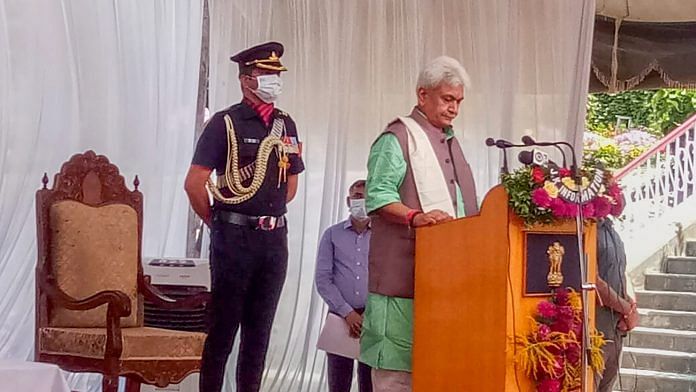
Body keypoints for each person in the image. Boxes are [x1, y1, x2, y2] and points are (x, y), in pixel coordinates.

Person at [184, 41, 305, 392]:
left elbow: (290, 185)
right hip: (234, 239)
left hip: (273, 240)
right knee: (222, 332)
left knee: (259, 333)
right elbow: (195, 184)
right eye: (265, 74)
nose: (273, 81)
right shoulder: (225, 123)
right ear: (245, 80)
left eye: (276, 75)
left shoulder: (287, 124)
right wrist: (220, 222)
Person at [360, 56, 479, 392]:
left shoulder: (452, 143)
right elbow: (378, 197)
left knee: (436, 370)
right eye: (447, 99)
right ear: (422, 95)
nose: (454, 108)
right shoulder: (397, 138)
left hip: (444, 281)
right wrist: (415, 216)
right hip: (401, 280)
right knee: (396, 376)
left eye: (458, 102)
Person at [315, 180, 373, 392]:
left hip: (372, 319)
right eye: (357, 196)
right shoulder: (332, 234)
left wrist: (369, 313)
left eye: (366, 196)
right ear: (349, 201)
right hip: (340, 318)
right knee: (338, 383)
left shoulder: (383, 236)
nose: (361, 201)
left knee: (369, 383)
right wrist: (348, 313)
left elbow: (385, 276)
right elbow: (323, 279)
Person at [595, 196, 639, 392]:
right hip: (596, 329)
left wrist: (631, 308)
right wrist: (625, 308)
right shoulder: (589, 232)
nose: (619, 199)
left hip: (616, 329)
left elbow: (621, 274)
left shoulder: (612, 232)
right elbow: (594, 281)